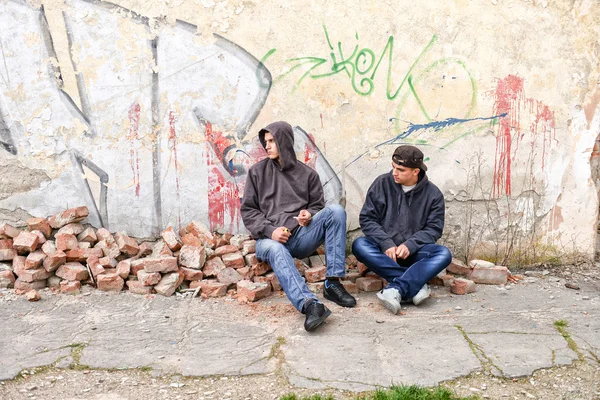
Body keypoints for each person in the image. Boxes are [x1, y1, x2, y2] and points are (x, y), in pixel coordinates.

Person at [241, 121, 356, 331]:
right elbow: (248, 211)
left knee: (336, 211)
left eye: (271, 141)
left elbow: (317, 205)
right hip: (269, 241)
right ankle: (310, 304)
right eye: (265, 142)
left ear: (284, 141)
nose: (266, 146)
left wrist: (308, 215)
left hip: (300, 237)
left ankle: (333, 283)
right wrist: (270, 231)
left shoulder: (308, 174)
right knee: (275, 248)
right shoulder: (257, 172)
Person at [352, 145, 451, 314]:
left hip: (414, 253)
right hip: (385, 254)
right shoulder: (381, 184)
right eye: (393, 167)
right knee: (359, 244)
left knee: (443, 254)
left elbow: (434, 229)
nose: (394, 173)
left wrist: (411, 245)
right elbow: (367, 219)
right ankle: (415, 284)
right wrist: (385, 243)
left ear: (416, 171)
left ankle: (396, 288)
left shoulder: (433, 194)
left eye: (400, 169)